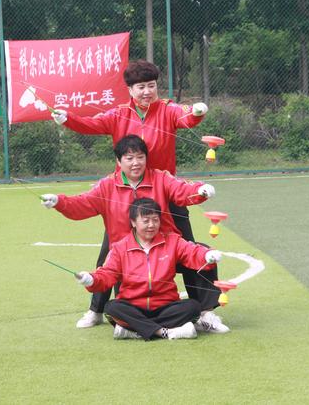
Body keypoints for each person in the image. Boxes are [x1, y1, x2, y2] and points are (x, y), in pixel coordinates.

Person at [51, 60, 223, 329]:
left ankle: (205, 312)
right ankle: (96, 310)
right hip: (126, 195)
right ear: (130, 90)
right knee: (111, 251)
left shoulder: (167, 109)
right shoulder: (118, 114)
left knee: (190, 249)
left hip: (166, 191)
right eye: (140, 87)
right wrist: (68, 119)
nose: (147, 92)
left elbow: (186, 116)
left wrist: (197, 113)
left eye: (151, 86)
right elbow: (90, 124)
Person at [41, 135, 229, 333]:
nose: (135, 163)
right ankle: (97, 312)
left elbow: (181, 190)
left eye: (140, 157)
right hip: (126, 253)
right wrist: (59, 202)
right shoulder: (107, 185)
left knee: (201, 255)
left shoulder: (160, 178)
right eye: (129, 158)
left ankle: (206, 314)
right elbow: (83, 204)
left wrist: (201, 191)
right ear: (118, 161)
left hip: (165, 249)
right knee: (110, 282)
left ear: (146, 158)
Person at [74, 198, 223, 340]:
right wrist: (91, 280)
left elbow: (192, 252)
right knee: (111, 307)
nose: (151, 225)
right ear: (133, 222)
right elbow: (107, 275)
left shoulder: (172, 240)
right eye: (146, 221)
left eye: (155, 220)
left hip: (166, 306)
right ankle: (165, 332)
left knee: (193, 307)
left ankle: (135, 331)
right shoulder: (120, 248)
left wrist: (207, 255)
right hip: (133, 306)